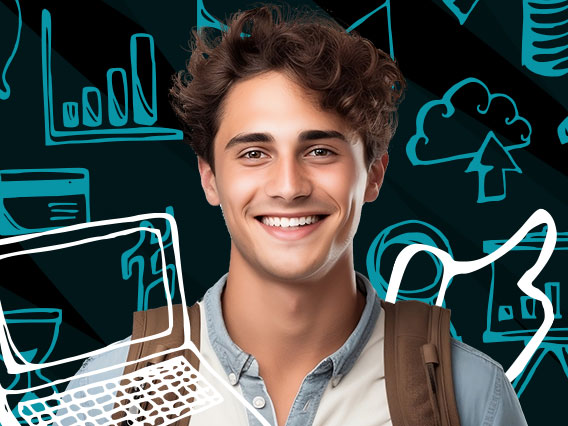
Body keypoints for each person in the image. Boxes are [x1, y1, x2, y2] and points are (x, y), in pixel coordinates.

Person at [67, 4, 527, 425]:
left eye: (321, 150)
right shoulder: (107, 393)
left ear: (374, 174)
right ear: (209, 178)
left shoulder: (470, 395)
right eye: (253, 153)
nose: (288, 187)